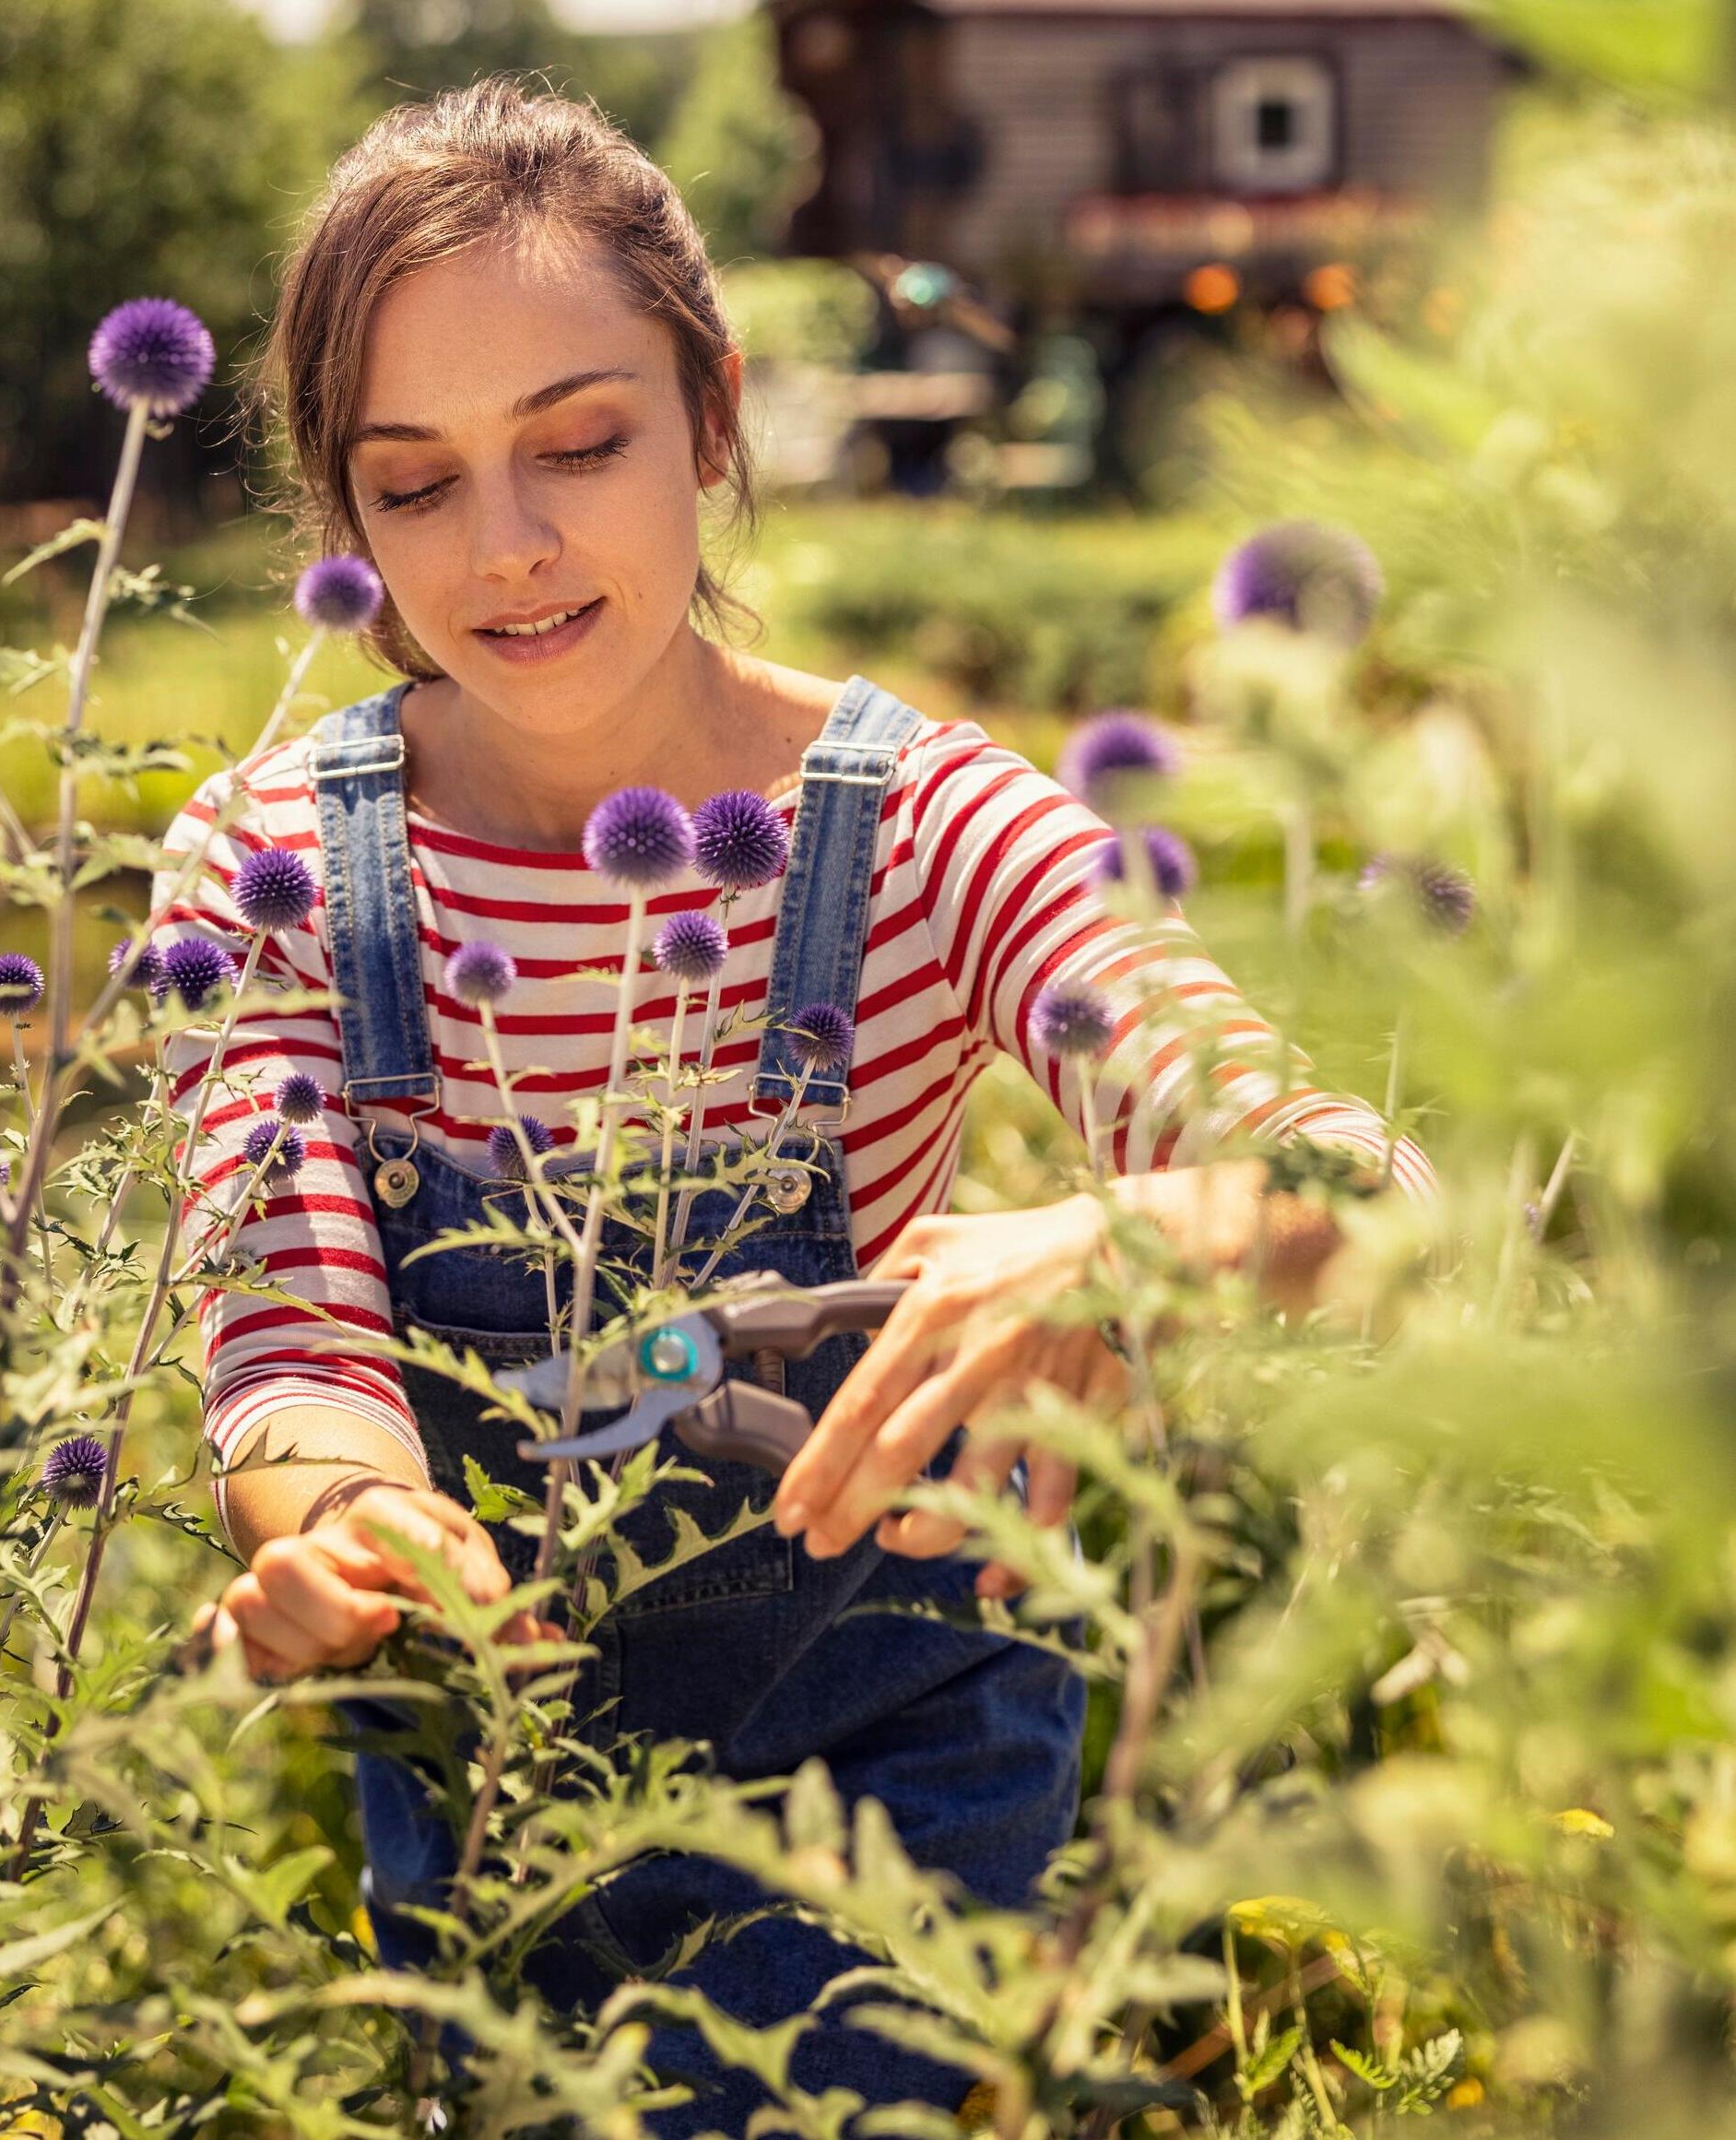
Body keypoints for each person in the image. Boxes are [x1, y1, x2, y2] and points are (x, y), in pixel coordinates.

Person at [163, 77, 1437, 2134]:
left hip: (887, 1822)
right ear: (344, 510)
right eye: (415, 484)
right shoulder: (277, 867)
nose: (508, 547)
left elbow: (1354, 1183)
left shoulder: (923, 830)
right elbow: (290, 1330)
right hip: (492, 1810)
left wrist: (1144, 1233)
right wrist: (342, 1526)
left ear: (713, 413)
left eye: (579, 444)